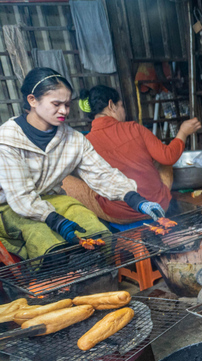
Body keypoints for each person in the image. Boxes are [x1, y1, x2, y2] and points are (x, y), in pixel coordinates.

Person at [0, 68, 166, 260]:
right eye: (56, 104)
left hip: (53, 200)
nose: (64, 111)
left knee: (95, 231)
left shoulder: (73, 140)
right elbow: (21, 197)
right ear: (32, 101)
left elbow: (102, 174)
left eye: (67, 105)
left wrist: (136, 200)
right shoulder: (7, 140)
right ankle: (59, 285)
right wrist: (56, 221)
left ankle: (99, 280)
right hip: (10, 207)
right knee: (48, 241)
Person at [62, 85, 202, 224]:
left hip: (119, 214)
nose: (123, 111)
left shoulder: (85, 143)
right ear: (112, 105)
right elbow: (169, 156)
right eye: (121, 106)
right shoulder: (134, 128)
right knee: (163, 159)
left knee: (65, 180)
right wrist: (183, 132)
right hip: (158, 205)